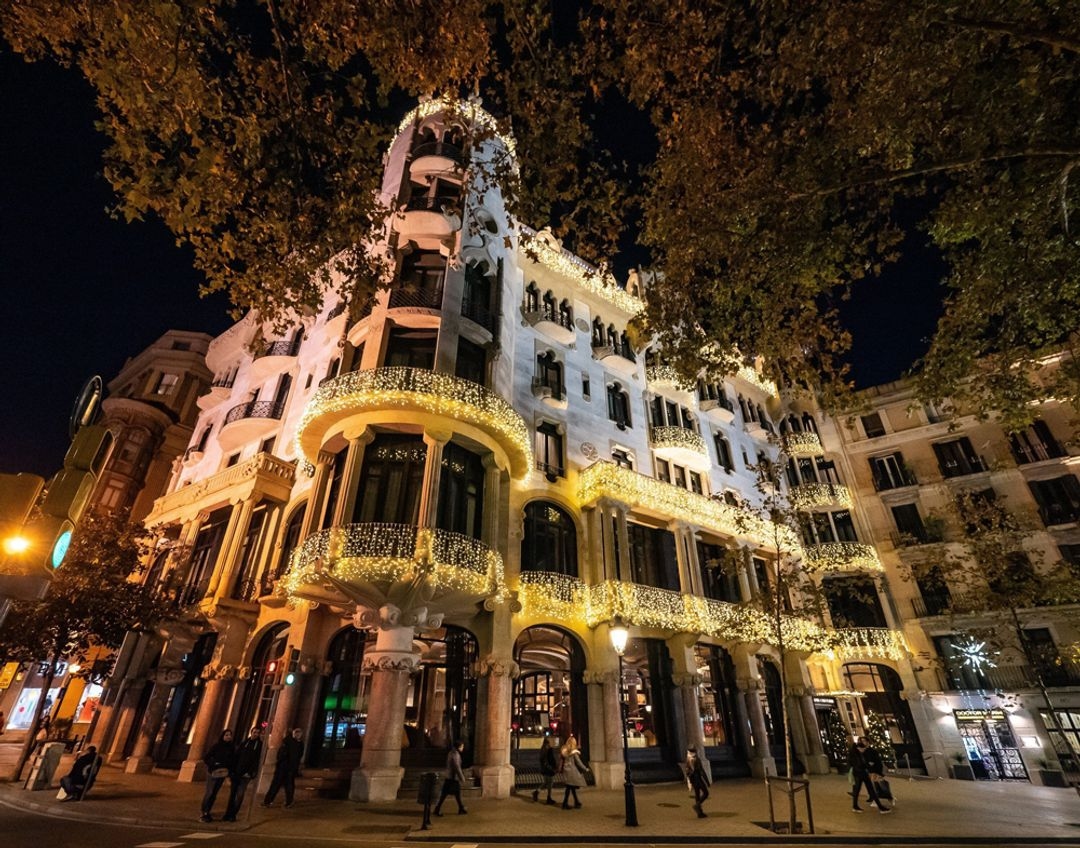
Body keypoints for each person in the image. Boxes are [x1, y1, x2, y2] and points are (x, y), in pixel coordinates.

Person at [224, 726, 264, 821]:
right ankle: (227, 813)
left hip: (246, 774)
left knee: (240, 794)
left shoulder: (260, 745)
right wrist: (232, 771)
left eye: (258, 733)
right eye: (254, 732)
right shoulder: (244, 742)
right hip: (237, 772)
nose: (256, 734)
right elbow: (237, 757)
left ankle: (233, 814)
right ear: (251, 732)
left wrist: (251, 773)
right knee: (232, 794)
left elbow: (257, 760)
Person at [263, 727, 305, 808]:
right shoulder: (287, 741)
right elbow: (282, 753)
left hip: (291, 768)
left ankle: (289, 801)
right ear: (293, 733)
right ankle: (268, 801)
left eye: (299, 733)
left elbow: (299, 755)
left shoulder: (300, 744)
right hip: (283, 766)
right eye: (296, 732)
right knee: (276, 784)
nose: (298, 734)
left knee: (289, 785)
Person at [200, 729, 236, 822]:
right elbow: (207, 757)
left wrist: (229, 771)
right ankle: (204, 812)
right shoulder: (217, 746)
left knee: (214, 793)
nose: (228, 737)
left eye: (230, 735)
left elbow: (232, 761)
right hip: (213, 772)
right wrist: (214, 764)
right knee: (210, 792)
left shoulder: (231, 748)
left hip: (222, 773)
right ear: (223, 736)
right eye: (226, 735)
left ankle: (208, 810)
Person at [848, 736, 889, 814]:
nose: (863, 751)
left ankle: (856, 806)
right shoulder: (856, 754)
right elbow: (858, 764)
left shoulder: (860, 753)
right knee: (864, 790)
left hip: (862, 773)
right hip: (860, 774)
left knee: (865, 790)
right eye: (862, 749)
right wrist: (867, 765)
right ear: (859, 748)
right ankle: (880, 807)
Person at [434, 740, 468, 816]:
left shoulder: (452, 753)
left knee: (455, 793)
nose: (463, 748)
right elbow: (457, 767)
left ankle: (461, 807)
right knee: (445, 794)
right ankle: (438, 808)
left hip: (451, 777)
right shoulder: (455, 754)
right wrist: (461, 777)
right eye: (462, 746)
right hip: (452, 777)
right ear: (459, 747)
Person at [863, 740, 893, 812]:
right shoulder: (863, 752)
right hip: (870, 771)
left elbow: (876, 762)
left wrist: (878, 772)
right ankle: (879, 800)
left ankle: (888, 798)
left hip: (875, 771)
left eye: (864, 741)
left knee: (879, 786)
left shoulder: (872, 751)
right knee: (875, 786)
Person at [684, 746, 711, 818]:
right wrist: (707, 781)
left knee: (697, 795)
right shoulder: (696, 759)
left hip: (693, 779)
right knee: (706, 793)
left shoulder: (688, 759)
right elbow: (701, 771)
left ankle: (699, 813)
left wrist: (689, 782)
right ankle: (697, 806)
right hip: (698, 778)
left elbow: (687, 772)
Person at [560, 744, 589, 809]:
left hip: (566, 770)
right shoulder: (574, 753)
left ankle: (576, 802)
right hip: (572, 771)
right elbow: (578, 762)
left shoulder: (565, 752)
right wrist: (585, 768)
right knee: (569, 787)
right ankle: (565, 803)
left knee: (570, 786)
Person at [532, 736, 558, 805]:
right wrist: (552, 768)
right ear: (548, 743)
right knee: (550, 783)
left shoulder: (542, 750)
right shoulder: (547, 750)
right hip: (548, 769)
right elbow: (548, 761)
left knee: (546, 783)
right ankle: (548, 798)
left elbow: (543, 761)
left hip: (544, 769)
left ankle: (537, 792)